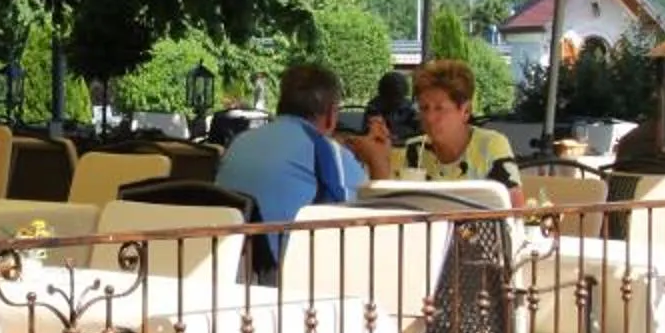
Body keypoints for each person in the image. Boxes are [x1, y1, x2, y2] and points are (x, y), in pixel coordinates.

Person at [218, 62, 388, 267]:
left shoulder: (241, 141)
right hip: (291, 275)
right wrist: (378, 160)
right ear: (331, 114)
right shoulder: (326, 152)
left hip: (232, 267)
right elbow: (382, 219)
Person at [401, 59, 520, 198]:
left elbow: (515, 211)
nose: (429, 117)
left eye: (439, 108)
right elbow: (406, 205)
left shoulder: (490, 146)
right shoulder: (415, 150)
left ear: (466, 111)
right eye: (424, 108)